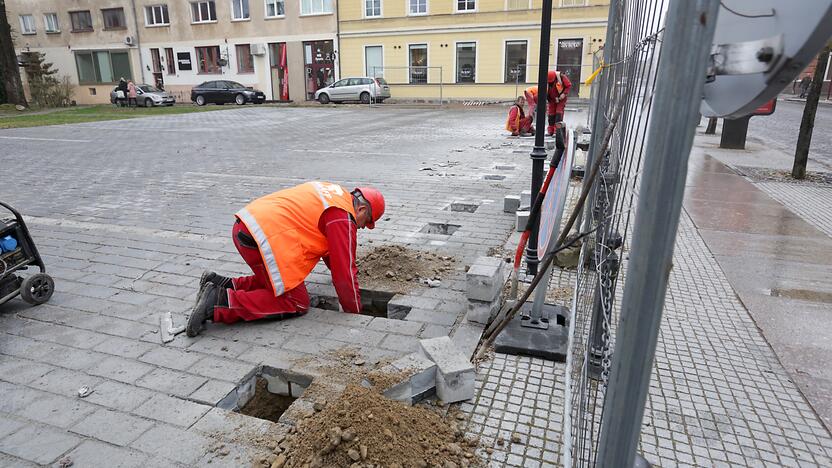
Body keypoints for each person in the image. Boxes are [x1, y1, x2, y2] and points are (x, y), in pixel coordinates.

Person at [186, 182, 386, 337]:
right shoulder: (343, 217)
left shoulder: (335, 194)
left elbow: (333, 256)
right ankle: (218, 302)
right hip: (263, 238)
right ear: (361, 210)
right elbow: (344, 274)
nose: (360, 228)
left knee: (276, 280)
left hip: (248, 227)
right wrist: (354, 312)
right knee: (297, 301)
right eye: (364, 224)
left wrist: (338, 272)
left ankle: (221, 284)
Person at [546, 70, 572, 136]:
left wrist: (564, 94)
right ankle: (550, 130)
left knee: (558, 113)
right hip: (552, 99)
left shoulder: (561, 77)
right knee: (551, 114)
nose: (551, 84)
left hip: (561, 98)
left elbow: (568, 85)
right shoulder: (546, 80)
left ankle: (556, 131)